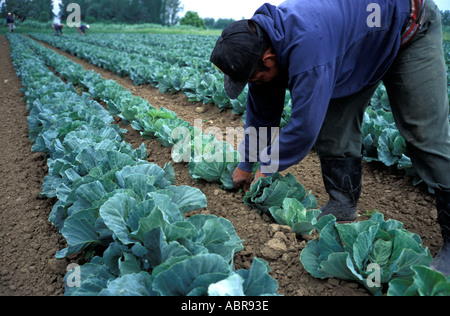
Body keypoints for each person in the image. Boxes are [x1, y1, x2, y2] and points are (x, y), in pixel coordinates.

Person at [210, 0, 450, 276]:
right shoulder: (262, 41)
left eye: (254, 79)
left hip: (409, 27)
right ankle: (342, 204)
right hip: (360, 46)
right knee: (335, 124)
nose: (255, 85)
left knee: (424, 135)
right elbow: (262, 115)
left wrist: (267, 167)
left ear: (269, 60)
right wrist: (246, 163)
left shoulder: (307, 45)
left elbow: (303, 128)